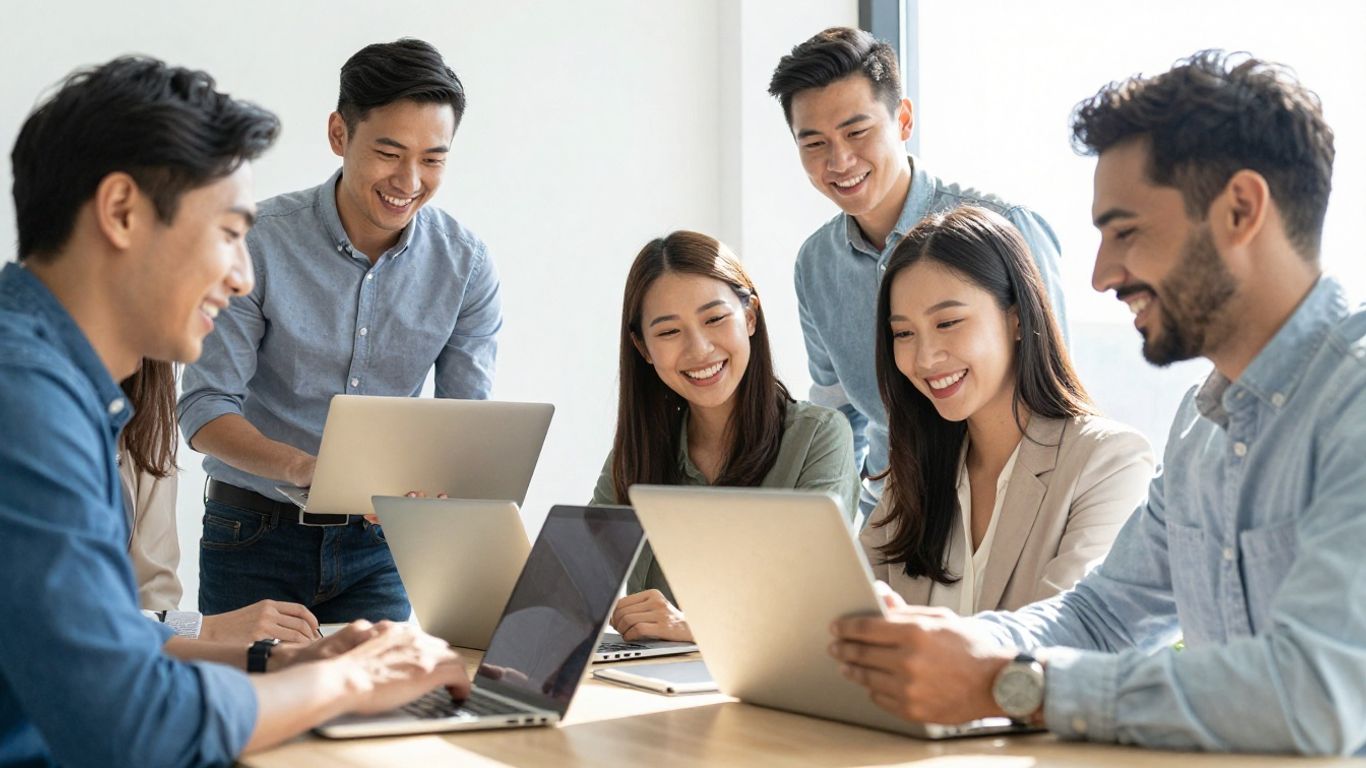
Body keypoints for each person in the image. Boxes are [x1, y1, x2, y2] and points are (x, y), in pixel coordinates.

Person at [828, 51, 1366, 755]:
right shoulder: (1202, 430)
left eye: (1127, 231)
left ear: (1240, 209)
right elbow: (1107, 615)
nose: (1101, 273)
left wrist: (1013, 683)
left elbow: (1321, 696)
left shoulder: (1352, 406)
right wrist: (951, 644)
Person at [0, 55, 468, 767]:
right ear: (122, 212)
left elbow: (93, 639)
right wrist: (350, 678)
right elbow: (131, 725)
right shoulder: (24, 402)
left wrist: (270, 664)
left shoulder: (50, 381)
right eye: (228, 234)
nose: (245, 275)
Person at [178, 38, 502, 623]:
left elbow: (465, 427)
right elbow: (203, 410)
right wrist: (306, 468)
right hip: (252, 532)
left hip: (382, 548)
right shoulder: (258, 244)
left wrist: (442, 487)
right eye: (389, 152)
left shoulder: (466, 266)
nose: (409, 180)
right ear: (338, 135)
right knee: (249, 713)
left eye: (433, 158)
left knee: (382, 711)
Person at [768, 27, 1068, 521]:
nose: (839, 161)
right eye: (814, 143)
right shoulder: (816, 264)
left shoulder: (1006, 227)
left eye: (857, 132)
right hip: (898, 518)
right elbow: (839, 423)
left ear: (903, 119)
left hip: (1015, 512)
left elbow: (1057, 397)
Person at [865, 206, 1152, 613]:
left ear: (1016, 319)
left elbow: (1070, 634)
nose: (925, 358)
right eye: (904, 333)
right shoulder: (913, 474)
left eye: (947, 323)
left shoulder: (1109, 461)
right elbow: (846, 607)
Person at [596, 231, 859, 642]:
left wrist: (692, 627)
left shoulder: (818, 438)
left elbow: (813, 605)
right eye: (668, 332)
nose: (699, 349)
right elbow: (572, 585)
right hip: (647, 687)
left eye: (715, 319)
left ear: (750, 316)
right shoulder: (636, 452)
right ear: (643, 348)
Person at [122, 359, 322, 645]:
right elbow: (72, 616)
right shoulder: (49, 419)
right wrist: (208, 631)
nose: (221, 312)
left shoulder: (146, 397)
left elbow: (153, 593)